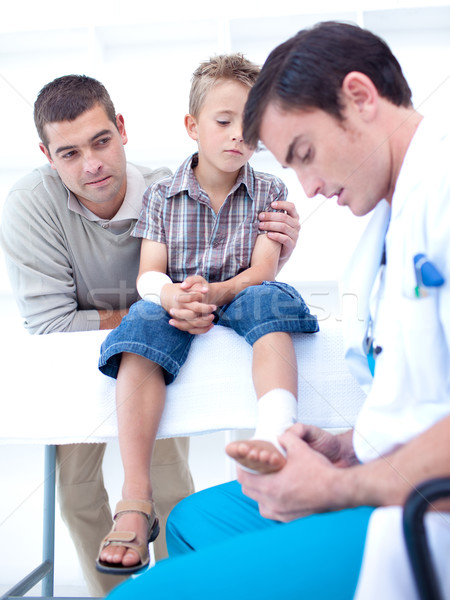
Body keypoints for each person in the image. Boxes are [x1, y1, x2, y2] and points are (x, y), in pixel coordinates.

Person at [104, 21, 450, 600]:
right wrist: (347, 444)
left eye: (306, 153)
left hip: (418, 518)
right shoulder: (389, 218)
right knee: (191, 523)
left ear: (360, 98)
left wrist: (343, 487)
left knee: (136, 596)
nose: (308, 189)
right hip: (383, 470)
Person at [0, 73, 301, 596]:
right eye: (69, 153)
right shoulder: (29, 207)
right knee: (74, 490)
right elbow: (50, 326)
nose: (91, 164)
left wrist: (273, 251)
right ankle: (116, 591)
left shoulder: (167, 189)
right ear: (48, 157)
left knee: (169, 475)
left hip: (160, 347)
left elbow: (220, 273)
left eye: (101, 141)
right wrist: (154, 307)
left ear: (121, 129)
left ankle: (178, 587)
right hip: (88, 352)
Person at [96, 53, 318, 575]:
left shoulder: (269, 190)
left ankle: (274, 433)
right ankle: (135, 498)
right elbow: (150, 275)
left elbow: (261, 271)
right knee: (143, 324)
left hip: (240, 292)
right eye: (223, 122)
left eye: (252, 124)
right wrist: (172, 297)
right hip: (179, 298)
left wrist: (213, 294)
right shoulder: (160, 195)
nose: (238, 135)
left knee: (271, 301)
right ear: (193, 126)